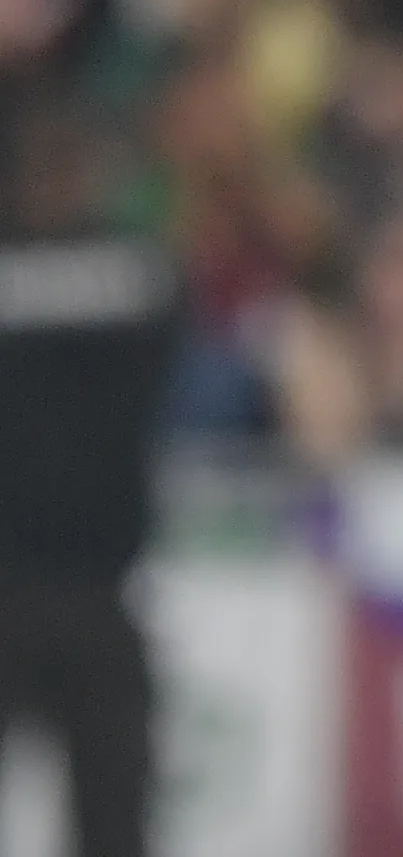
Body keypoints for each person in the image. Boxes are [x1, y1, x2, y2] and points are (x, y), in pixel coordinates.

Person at [0, 111, 179, 857]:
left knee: (114, 821)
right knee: (114, 824)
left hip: (52, 585)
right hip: (90, 588)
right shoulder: (140, 271)